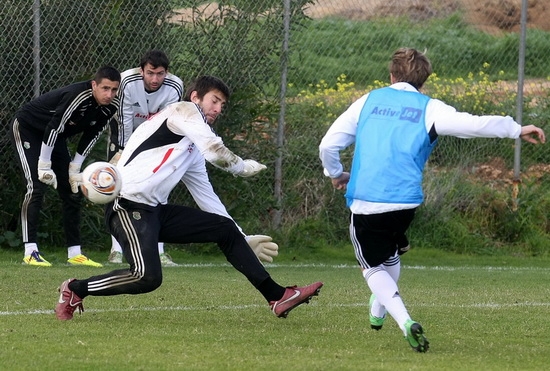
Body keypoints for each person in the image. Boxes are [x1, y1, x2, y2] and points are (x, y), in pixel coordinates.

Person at [318, 47, 545, 352]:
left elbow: (328, 144)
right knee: (390, 255)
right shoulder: (430, 108)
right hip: (407, 202)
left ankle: (405, 321)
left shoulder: (368, 101)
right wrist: (516, 129)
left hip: (368, 200)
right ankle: (378, 309)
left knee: (370, 267)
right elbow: (473, 124)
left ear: (391, 74)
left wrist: (335, 172)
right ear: (423, 81)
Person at [55, 75, 322, 321]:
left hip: (155, 211)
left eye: (222, 105)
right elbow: (217, 153)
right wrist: (242, 167)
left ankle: (277, 296)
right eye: (214, 100)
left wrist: (242, 236)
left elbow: (206, 195)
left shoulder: (193, 147)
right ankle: (75, 288)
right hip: (127, 206)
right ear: (195, 98)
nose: (218, 108)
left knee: (225, 229)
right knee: (146, 277)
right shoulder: (182, 110)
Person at [9, 66, 121, 267]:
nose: (109, 94)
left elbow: (92, 134)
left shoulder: (111, 106)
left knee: (72, 189)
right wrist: (44, 165)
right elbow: (54, 125)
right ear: (94, 85)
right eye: (105, 88)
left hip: (54, 137)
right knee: (35, 186)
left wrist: (74, 169)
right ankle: (30, 251)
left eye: (114, 90)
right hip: (28, 128)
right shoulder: (78, 95)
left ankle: (75, 253)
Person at [107, 49, 184, 267]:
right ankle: (116, 250)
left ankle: (159, 250)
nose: (155, 79)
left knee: (160, 188)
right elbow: (124, 119)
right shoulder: (127, 82)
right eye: (150, 73)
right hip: (125, 136)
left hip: (156, 138)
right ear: (141, 70)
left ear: (166, 73)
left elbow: (169, 123)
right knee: (117, 188)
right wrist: (123, 153)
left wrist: (154, 154)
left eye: (160, 74)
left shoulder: (175, 86)